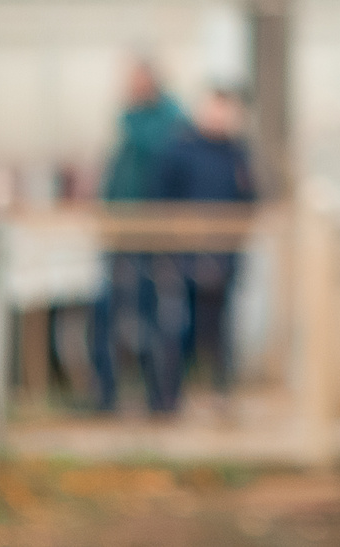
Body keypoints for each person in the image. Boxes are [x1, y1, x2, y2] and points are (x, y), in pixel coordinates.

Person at [92, 54, 187, 415]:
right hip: (121, 234)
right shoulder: (129, 125)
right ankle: (106, 393)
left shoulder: (166, 124)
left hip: (152, 236)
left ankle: (160, 397)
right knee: (108, 315)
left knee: (153, 317)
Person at [154, 87, 255, 405]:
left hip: (224, 258)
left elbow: (250, 200)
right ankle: (170, 399)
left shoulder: (238, 154)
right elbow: (161, 199)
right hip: (184, 258)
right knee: (178, 329)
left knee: (221, 333)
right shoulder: (180, 151)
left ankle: (221, 395)